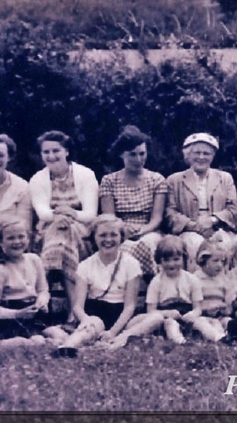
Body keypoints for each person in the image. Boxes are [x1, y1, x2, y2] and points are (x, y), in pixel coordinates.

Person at [50, 215, 142, 358]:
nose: (108, 240)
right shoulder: (85, 266)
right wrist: (85, 319)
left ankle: (115, 340)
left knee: (155, 318)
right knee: (91, 325)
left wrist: (113, 331)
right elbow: (77, 306)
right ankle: (68, 347)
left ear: (121, 237)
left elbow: (130, 306)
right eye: (102, 235)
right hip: (97, 312)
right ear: (94, 237)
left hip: (122, 315)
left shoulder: (131, 264)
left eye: (113, 235)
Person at [30, 131, 99, 312]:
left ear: (66, 151)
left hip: (82, 232)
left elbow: (90, 213)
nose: (51, 156)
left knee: (65, 233)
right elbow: (43, 213)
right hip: (47, 233)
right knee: (61, 235)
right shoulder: (37, 179)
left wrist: (72, 215)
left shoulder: (86, 174)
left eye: (56, 151)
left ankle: (44, 306)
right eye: (46, 152)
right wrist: (57, 217)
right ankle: (73, 312)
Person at [107, 235, 202, 348]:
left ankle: (216, 336)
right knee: (165, 321)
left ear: (184, 258)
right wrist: (167, 313)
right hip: (160, 319)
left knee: (199, 322)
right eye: (166, 260)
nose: (171, 264)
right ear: (159, 260)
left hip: (183, 319)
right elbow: (150, 311)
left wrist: (193, 314)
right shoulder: (157, 282)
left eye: (176, 259)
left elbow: (198, 308)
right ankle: (120, 339)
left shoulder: (192, 280)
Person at [99, 126, 167, 277]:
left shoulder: (157, 179)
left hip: (150, 230)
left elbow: (157, 219)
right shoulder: (109, 181)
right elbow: (109, 217)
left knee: (146, 245)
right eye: (132, 155)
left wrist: (142, 231)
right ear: (121, 155)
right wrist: (123, 229)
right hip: (119, 231)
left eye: (142, 154)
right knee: (124, 248)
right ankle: (119, 295)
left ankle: (154, 290)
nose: (138, 159)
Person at [165, 133, 237, 269]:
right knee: (195, 246)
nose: (201, 157)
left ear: (212, 156)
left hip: (218, 228)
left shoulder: (225, 178)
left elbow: (233, 210)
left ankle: (224, 287)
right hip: (189, 230)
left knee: (226, 245)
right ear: (188, 155)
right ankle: (196, 288)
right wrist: (194, 226)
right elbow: (170, 212)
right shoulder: (174, 180)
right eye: (197, 153)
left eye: (206, 153)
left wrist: (212, 220)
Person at [0, 220, 53, 347]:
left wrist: (42, 301)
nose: (17, 242)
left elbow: (43, 290)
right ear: (1, 242)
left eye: (21, 237)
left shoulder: (34, 259)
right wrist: (18, 313)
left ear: (28, 239)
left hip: (34, 315)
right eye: (10, 238)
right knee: (35, 342)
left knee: (58, 335)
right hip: (11, 320)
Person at [0, 135, 33, 290]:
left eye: (1, 155)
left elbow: (24, 223)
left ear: (9, 157)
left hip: (14, 238)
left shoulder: (22, 186)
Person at [192, 243, 237, 344]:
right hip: (202, 316)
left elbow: (229, 308)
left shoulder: (224, 280)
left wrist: (224, 308)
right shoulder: (195, 279)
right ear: (203, 260)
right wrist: (205, 309)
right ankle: (219, 337)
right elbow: (192, 306)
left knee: (227, 321)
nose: (220, 265)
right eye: (215, 260)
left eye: (222, 261)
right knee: (202, 323)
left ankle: (233, 335)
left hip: (219, 316)